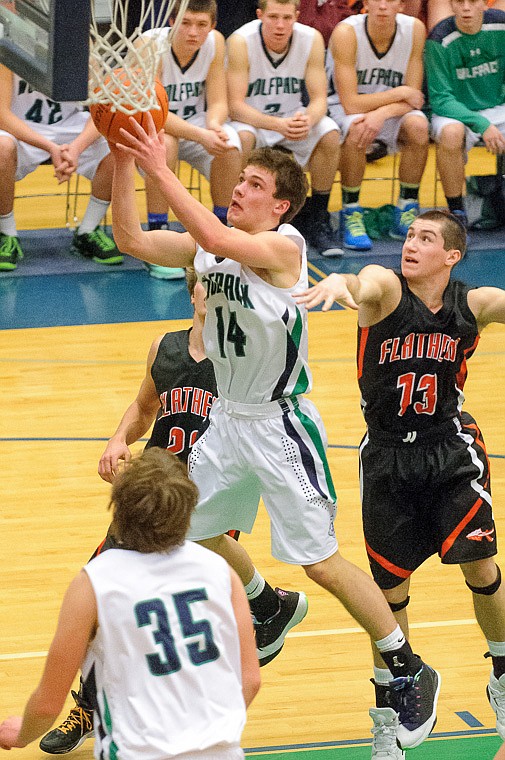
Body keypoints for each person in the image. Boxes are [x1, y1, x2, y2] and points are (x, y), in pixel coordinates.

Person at [110, 116, 441, 751]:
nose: (239, 189)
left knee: (321, 562)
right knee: (188, 523)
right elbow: (130, 237)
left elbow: (209, 230)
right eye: (242, 180)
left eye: (253, 184)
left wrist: (159, 166)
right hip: (227, 419)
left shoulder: (285, 247)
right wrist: (126, 159)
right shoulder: (215, 245)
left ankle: (405, 665)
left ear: (280, 203)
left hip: (280, 423)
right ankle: (266, 604)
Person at [295, 209, 505, 758]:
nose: (411, 243)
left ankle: (503, 673)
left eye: (426, 238)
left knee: (480, 566)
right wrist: (339, 284)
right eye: (410, 235)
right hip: (387, 458)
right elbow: (360, 283)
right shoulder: (387, 290)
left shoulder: (471, 304)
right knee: (389, 595)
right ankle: (390, 713)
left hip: (450, 450)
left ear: (451, 255)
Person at [38, 269, 243, 756]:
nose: (212, 295)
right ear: (191, 289)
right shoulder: (164, 347)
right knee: (102, 604)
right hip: (151, 495)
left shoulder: (242, 357)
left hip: (209, 498)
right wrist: (117, 438)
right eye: (205, 285)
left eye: (222, 289)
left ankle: (260, 605)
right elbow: (143, 408)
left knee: (185, 616)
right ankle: (88, 708)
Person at [0, 447, 261, 757]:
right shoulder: (222, 572)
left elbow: (47, 705)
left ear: (119, 510)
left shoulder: (94, 583)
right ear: (189, 511)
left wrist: (22, 734)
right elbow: (251, 680)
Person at [226, 0, 343, 257]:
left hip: (292, 119)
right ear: (260, 15)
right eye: (273, 17)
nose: (280, 25)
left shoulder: (311, 38)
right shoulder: (240, 41)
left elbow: (320, 99)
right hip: (253, 120)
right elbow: (234, 106)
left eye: (287, 18)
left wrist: (308, 120)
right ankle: (238, 223)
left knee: (329, 132)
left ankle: (318, 218)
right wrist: (275, 124)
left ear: (297, 16)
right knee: (241, 138)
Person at [140, 0, 242, 280]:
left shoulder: (215, 43)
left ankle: (221, 233)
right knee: (165, 145)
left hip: (196, 124)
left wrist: (213, 125)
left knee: (230, 144)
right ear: (172, 22)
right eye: (186, 23)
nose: (193, 32)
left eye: (201, 25)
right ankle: (157, 238)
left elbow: (218, 100)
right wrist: (202, 134)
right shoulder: (150, 45)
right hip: (152, 126)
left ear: (212, 26)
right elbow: (154, 112)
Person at [327, 0, 429, 251]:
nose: (383, 6)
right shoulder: (346, 32)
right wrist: (400, 94)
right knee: (358, 128)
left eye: (390, 0)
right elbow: (350, 103)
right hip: (346, 110)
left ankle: (406, 207)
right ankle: (351, 211)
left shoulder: (414, 30)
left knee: (418, 127)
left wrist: (382, 113)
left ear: (401, 5)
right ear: (366, 3)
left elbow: (414, 98)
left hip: (393, 112)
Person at [0, 64, 122, 272]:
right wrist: (49, 147)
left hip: (69, 127)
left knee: (116, 139)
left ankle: (88, 230)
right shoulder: (10, 47)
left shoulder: (79, 45)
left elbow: (103, 110)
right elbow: (2, 115)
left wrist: (76, 147)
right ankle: (7, 234)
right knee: (1, 148)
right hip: (22, 128)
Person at [425, 0, 505, 227]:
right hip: (455, 109)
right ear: (452, 5)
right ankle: (457, 212)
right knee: (451, 133)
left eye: (473, 1)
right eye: (460, 2)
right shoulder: (439, 38)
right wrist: (481, 123)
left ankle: (496, 199)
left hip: (497, 106)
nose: (466, 8)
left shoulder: (501, 26)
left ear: (485, 4)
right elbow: (440, 99)